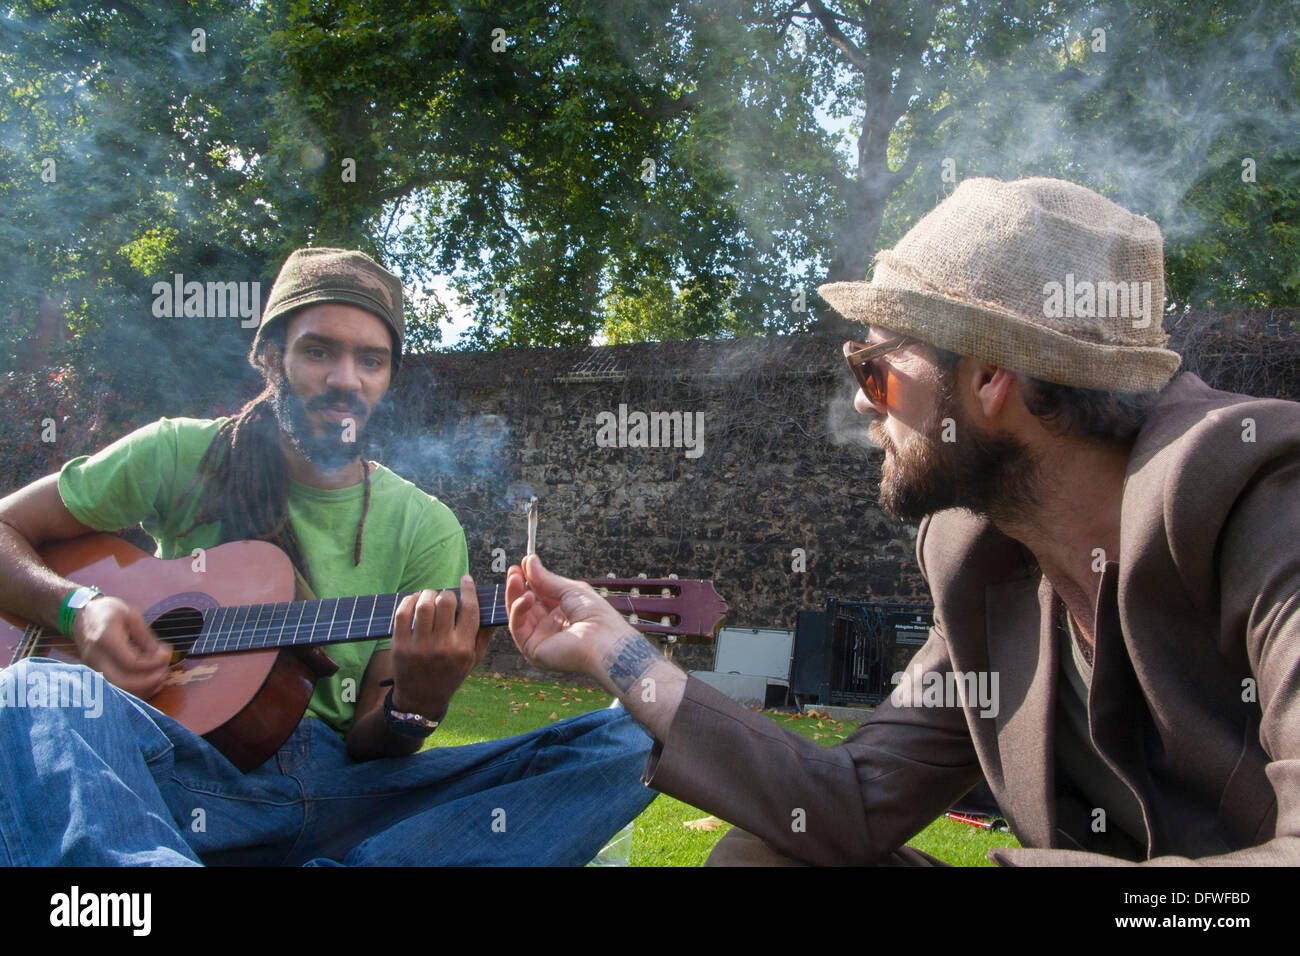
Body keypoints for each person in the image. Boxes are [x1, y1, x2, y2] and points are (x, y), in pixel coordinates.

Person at [504, 178, 1300, 866]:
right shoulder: (982, 558)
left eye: (876, 368)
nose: (860, 399)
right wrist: (619, 648)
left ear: (990, 377)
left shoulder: (1262, 505)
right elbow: (847, 804)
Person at [0, 247, 655, 866]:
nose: (346, 380)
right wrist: (76, 607)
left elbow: (374, 747)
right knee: (35, 689)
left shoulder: (424, 525)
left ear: (389, 376)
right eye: (319, 352)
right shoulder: (178, 455)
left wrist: (416, 706)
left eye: (371, 360)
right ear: (268, 354)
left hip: (339, 795)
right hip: (170, 773)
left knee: (638, 738)